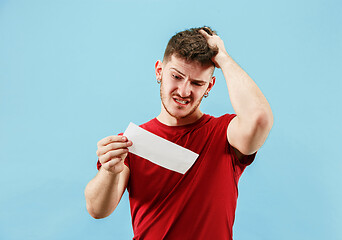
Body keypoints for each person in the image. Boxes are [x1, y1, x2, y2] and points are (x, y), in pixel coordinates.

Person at [85, 26, 273, 239]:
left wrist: (223, 58)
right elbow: (97, 209)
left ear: (209, 86)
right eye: (176, 76)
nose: (184, 91)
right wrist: (109, 171)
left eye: (196, 83)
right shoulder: (131, 143)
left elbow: (259, 118)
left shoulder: (225, 135)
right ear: (159, 71)